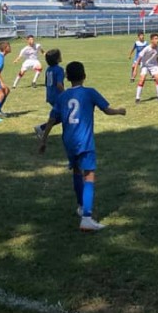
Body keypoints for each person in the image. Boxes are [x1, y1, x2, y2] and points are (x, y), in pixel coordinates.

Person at [38, 61, 126, 231]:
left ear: (67, 77)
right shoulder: (90, 92)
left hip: (68, 140)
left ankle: (80, 206)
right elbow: (106, 110)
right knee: (89, 175)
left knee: (77, 171)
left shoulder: (62, 97)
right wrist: (119, 111)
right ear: (84, 76)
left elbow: (51, 120)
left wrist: (43, 140)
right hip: (84, 140)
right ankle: (86, 218)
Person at [34, 48, 66, 140]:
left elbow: (47, 82)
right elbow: (59, 84)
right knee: (65, 115)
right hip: (58, 96)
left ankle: (42, 128)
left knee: (61, 116)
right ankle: (42, 128)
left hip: (50, 95)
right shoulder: (59, 69)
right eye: (59, 55)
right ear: (57, 59)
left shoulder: (48, 69)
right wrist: (65, 95)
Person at [135, 33, 158, 102]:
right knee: (142, 79)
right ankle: (137, 98)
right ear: (151, 40)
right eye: (156, 39)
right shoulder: (146, 49)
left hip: (154, 65)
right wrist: (135, 70)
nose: (157, 40)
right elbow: (138, 59)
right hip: (145, 65)